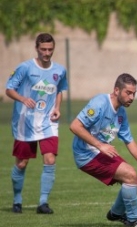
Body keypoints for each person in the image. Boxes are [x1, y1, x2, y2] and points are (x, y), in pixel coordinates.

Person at [70, 73, 137, 227]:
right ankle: (134, 221)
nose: (132, 97)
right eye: (128, 93)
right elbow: (75, 126)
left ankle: (116, 213)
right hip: (86, 154)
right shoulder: (99, 103)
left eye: (134, 93)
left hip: (100, 153)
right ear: (116, 90)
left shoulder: (121, 113)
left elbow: (129, 139)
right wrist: (100, 145)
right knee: (130, 175)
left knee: (136, 185)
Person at [5, 33, 68, 214]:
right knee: (22, 163)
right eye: (43, 49)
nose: (47, 53)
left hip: (48, 122)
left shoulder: (59, 70)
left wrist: (57, 107)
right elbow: (9, 89)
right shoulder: (24, 68)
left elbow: (59, 90)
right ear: (36, 48)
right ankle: (17, 200)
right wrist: (23, 99)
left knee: (50, 159)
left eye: (50, 49)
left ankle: (43, 203)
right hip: (25, 122)